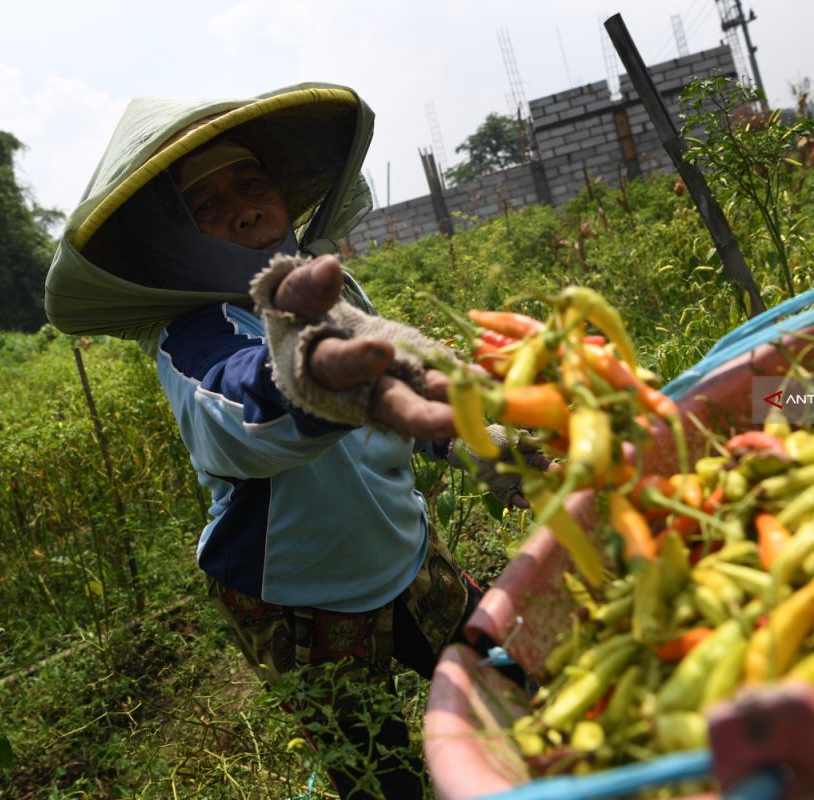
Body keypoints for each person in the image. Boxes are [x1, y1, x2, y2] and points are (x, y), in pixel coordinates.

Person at [44, 84, 525, 798]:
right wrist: (314, 379)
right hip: (300, 599)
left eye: (250, 181)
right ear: (171, 241)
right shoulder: (196, 340)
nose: (243, 207)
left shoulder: (332, 290)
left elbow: (401, 390)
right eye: (206, 207)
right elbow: (242, 415)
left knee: (513, 695)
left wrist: (475, 443)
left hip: (403, 548)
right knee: (380, 777)